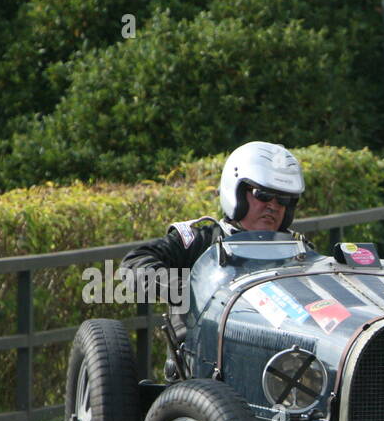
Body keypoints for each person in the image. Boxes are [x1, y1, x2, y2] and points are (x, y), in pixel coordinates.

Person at [121, 141, 307, 352]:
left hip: (277, 364)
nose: (273, 206)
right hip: (202, 367)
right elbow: (134, 261)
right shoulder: (198, 239)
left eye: (283, 199)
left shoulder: (298, 250)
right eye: (261, 194)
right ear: (236, 192)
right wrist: (184, 289)